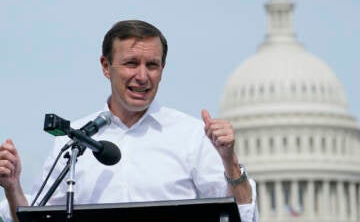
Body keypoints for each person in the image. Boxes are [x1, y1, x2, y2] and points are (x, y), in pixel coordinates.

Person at [0, 20, 258, 221]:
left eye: (152, 65)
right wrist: (12, 187)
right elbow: (35, 217)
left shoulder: (192, 136)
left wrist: (229, 161)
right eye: (131, 63)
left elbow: (243, 215)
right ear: (105, 66)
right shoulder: (72, 142)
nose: (142, 76)